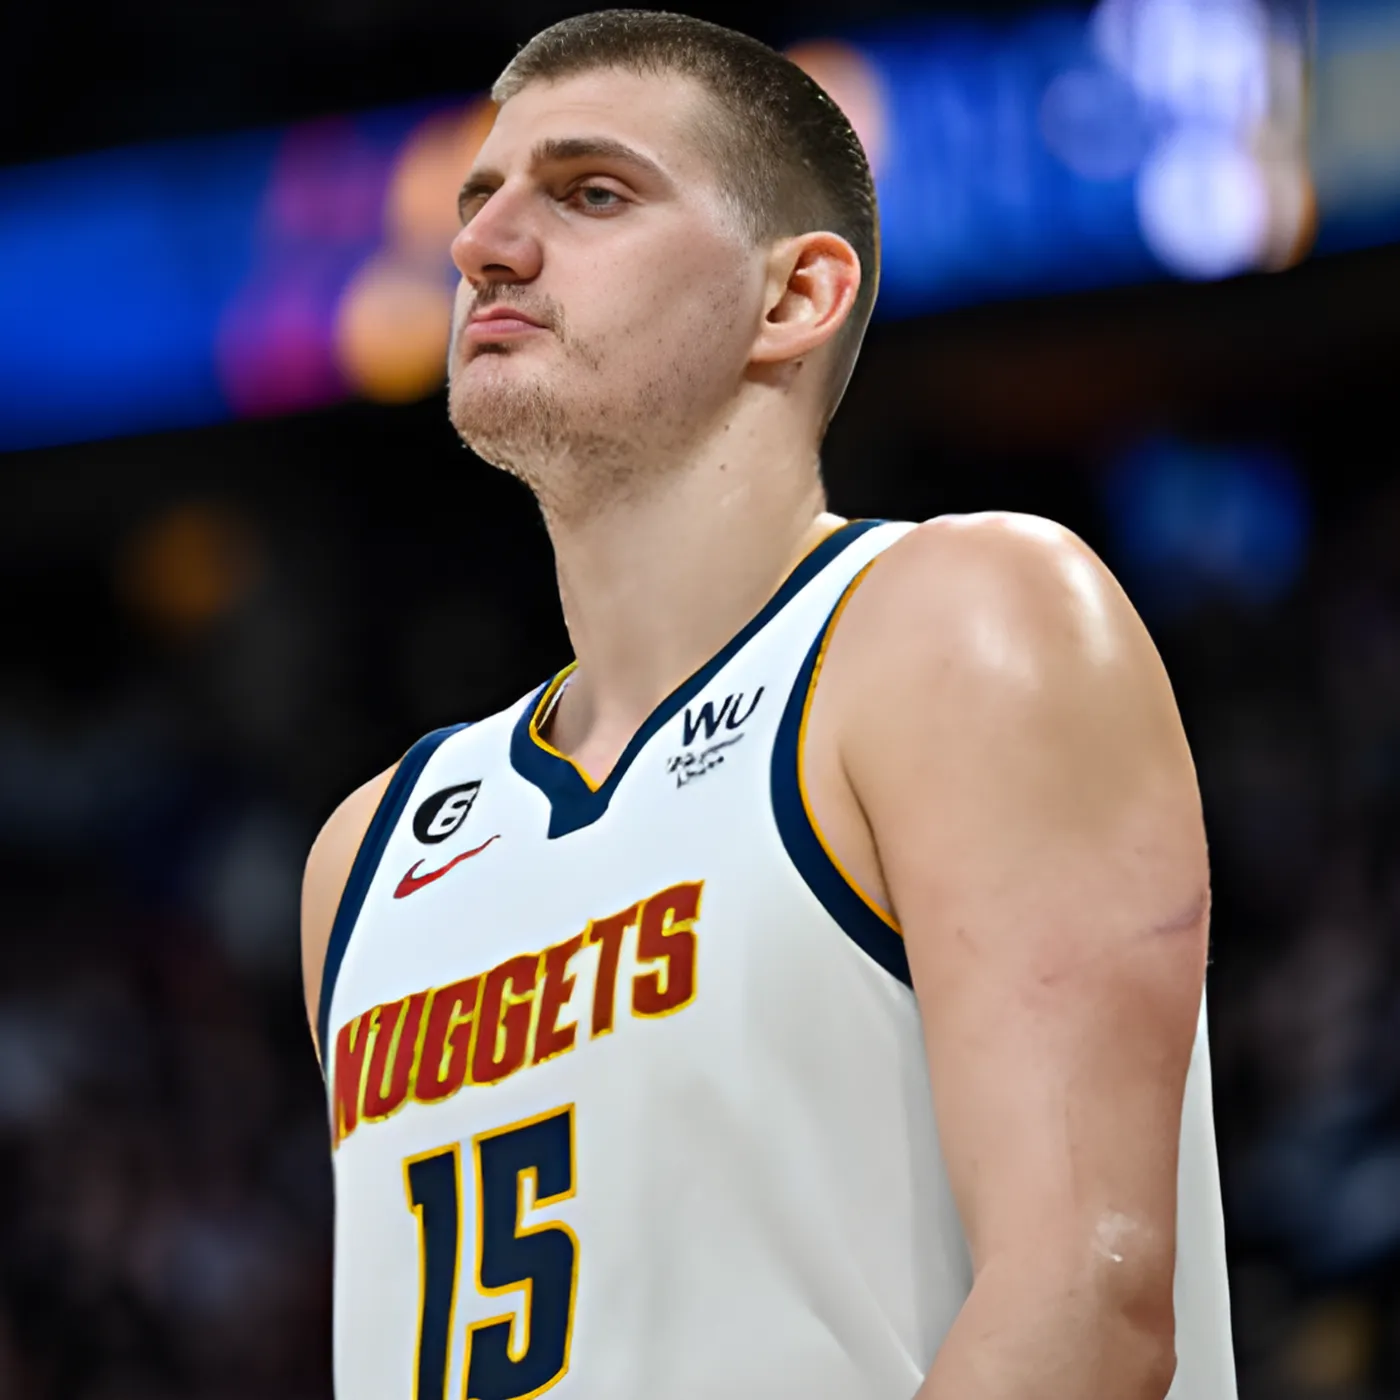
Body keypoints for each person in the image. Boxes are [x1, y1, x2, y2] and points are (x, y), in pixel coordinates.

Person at [300, 10, 1237, 1399]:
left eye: (590, 193)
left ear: (794, 296)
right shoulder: (367, 854)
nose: (484, 245)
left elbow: (1083, 1306)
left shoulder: (955, 622)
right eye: (477, 201)